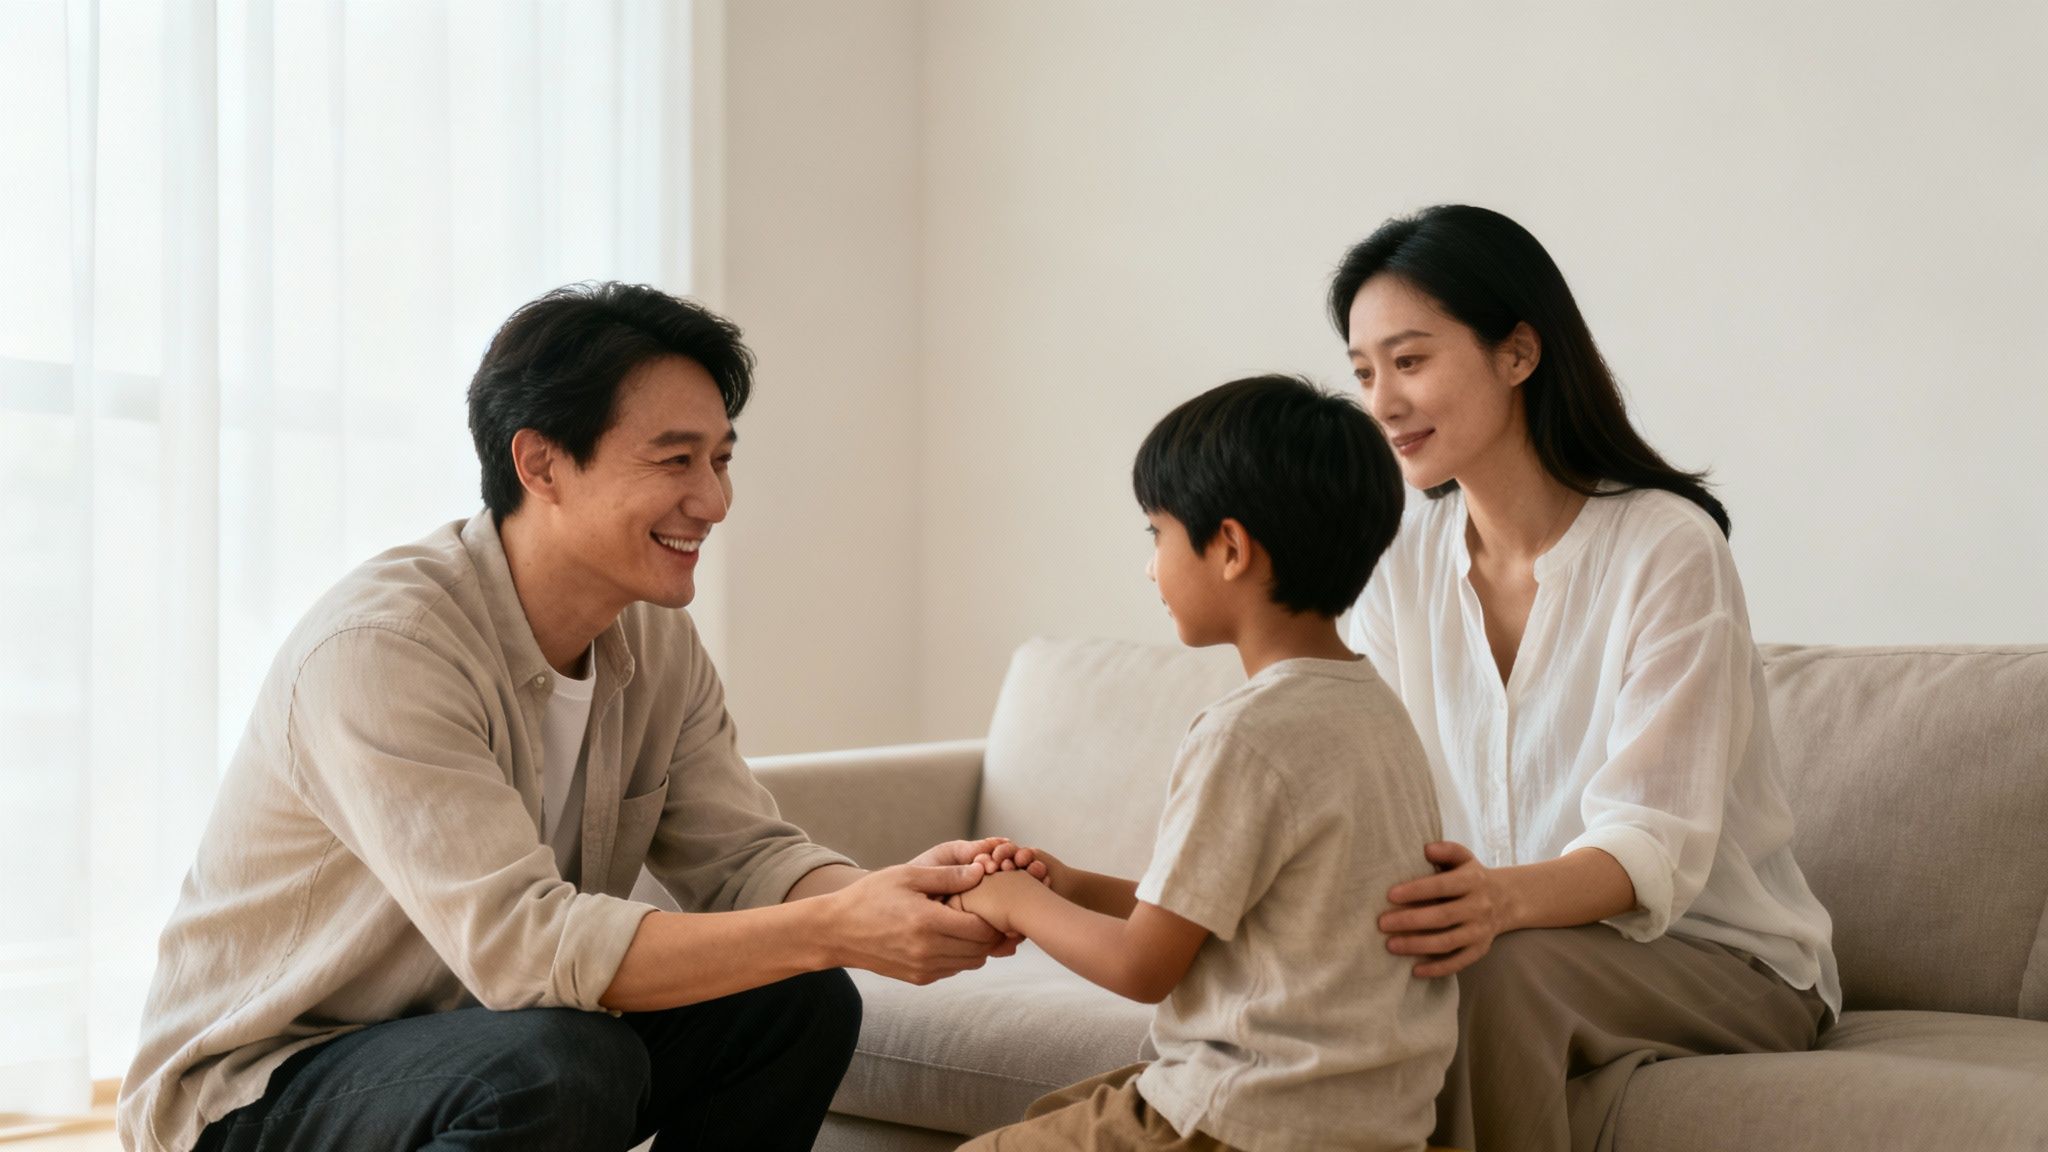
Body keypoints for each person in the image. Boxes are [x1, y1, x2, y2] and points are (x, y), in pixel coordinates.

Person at [119, 282, 1021, 1152]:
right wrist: (835, 927)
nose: (713, 500)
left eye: (721, 458)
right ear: (541, 462)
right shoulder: (384, 648)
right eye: (676, 460)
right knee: (558, 1064)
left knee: (797, 1003)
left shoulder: (656, 641)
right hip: (262, 1088)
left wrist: (883, 896)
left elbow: (742, 858)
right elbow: (521, 950)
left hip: (481, 1039)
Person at [1332, 205, 1840, 1152]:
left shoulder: (1666, 549)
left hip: (1724, 963)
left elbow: (1653, 844)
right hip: (1509, 944)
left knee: (1493, 977)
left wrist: (1498, 903)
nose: (1383, 403)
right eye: (1364, 373)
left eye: (1409, 362)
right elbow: (1367, 784)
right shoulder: (1397, 563)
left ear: (1518, 352)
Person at [954, 375, 1456, 1151]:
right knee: (1053, 1115)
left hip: (1243, 1120)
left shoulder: (1244, 734)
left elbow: (1143, 968)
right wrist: (1075, 885)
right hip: (1371, 1125)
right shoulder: (1377, 715)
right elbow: (1229, 923)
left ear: (1228, 547)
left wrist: (1016, 900)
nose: (1150, 567)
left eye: (1156, 533)